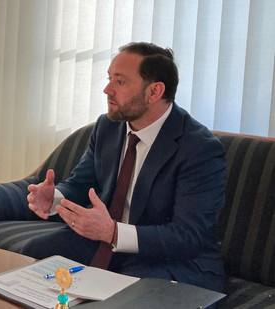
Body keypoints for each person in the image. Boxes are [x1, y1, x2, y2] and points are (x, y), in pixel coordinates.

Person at [24, 42, 226, 293]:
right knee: (31, 255)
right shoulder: (108, 127)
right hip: (105, 242)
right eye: (109, 78)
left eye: (119, 82)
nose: (107, 89)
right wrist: (54, 198)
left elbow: (187, 235)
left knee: (125, 292)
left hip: (173, 259)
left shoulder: (199, 148)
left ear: (155, 92)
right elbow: (81, 183)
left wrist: (113, 232)